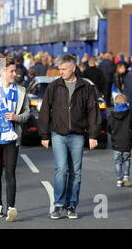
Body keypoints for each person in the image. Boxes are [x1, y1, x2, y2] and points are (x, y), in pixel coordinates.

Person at [38, 54, 99, 220]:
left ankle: (71, 205)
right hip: (58, 134)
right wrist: (44, 134)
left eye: (64, 69)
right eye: (60, 69)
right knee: (62, 169)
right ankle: (58, 205)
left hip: (78, 135)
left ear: (73, 68)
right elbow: (44, 110)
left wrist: (93, 134)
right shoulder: (54, 86)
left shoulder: (85, 87)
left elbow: (93, 111)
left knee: (76, 172)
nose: (61, 72)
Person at [0, 57, 30, 222]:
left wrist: (17, 117)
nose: (15, 74)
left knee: (11, 172)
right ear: (2, 71)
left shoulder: (21, 91)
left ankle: (11, 207)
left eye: (15, 71)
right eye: (11, 71)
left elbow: (27, 114)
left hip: (12, 138)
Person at [108, 94, 132, 188]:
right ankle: (126, 176)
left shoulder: (112, 114)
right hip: (127, 139)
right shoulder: (130, 113)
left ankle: (119, 180)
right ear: (125, 102)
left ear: (115, 103)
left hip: (116, 141)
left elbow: (109, 127)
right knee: (126, 159)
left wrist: (112, 133)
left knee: (117, 161)